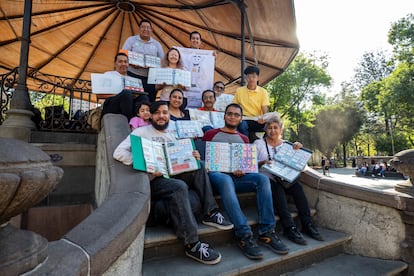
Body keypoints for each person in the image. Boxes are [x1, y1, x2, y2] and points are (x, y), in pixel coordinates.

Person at [113, 101, 233, 265]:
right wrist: (145, 164)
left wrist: (193, 156)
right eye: (157, 113)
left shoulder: (171, 134)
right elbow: (118, 153)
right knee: (179, 187)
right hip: (153, 180)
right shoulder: (140, 132)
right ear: (151, 116)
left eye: (165, 112)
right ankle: (191, 243)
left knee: (199, 166)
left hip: (172, 173)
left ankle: (210, 213)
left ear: (169, 116)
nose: (161, 116)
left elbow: (179, 158)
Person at [202, 103, 289, 260]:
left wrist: (244, 169)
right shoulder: (211, 134)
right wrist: (204, 164)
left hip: (238, 177)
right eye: (230, 114)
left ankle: (267, 231)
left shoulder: (243, 138)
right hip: (218, 176)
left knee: (262, 179)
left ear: (241, 119)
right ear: (224, 116)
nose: (233, 117)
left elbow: (247, 163)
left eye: (236, 115)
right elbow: (203, 159)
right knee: (226, 179)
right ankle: (244, 234)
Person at [254, 114, 324, 245]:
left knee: (298, 189)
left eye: (276, 127)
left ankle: (307, 224)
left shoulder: (288, 145)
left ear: (281, 129)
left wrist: (299, 152)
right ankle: (289, 227)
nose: (272, 131)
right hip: (267, 178)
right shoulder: (258, 144)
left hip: (285, 178)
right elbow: (250, 164)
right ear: (265, 130)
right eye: (269, 128)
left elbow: (302, 167)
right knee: (277, 190)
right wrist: (262, 162)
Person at [122, 19, 165, 102]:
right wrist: (131, 63)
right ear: (139, 28)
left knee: (149, 101)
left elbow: (162, 61)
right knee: (132, 99)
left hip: (150, 79)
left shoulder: (157, 44)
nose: (145, 29)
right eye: (143, 27)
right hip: (132, 75)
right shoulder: (131, 40)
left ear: (151, 30)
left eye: (148, 27)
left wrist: (153, 66)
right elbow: (123, 56)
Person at [101, 53, 149, 120]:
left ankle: (142, 121)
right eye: (120, 61)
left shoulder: (133, 80)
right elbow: (101, 94)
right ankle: (130, 122)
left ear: (128, 64)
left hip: (129, 104)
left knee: (143, 97)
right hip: (112, 105)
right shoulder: (108, 74)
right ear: (115, 64)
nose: (123, 64)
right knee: (126, 93)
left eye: (125, 62)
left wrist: (135, 95)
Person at [233, 66, 269, 141]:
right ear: (246, 78)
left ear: (258, 78)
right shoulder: (239, 91)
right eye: (249, 76)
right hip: (244, 119)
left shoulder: (263, 91)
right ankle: (247, 143)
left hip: (258, 120)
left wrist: (264, 118)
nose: (251, 79)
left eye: (254, 76)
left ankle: (264, 144)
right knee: (241, 125)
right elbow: (235, 106)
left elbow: (264, 108)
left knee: (272, 125)